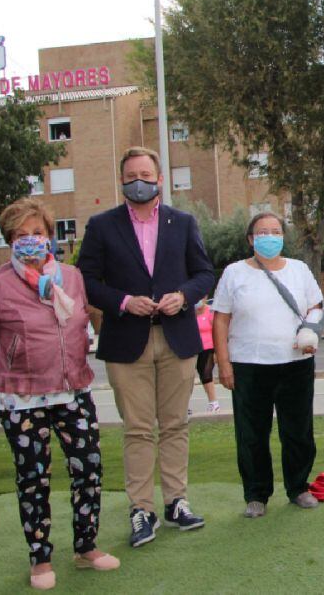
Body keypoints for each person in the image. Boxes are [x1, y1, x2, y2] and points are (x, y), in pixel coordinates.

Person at [0, 198, 120, 590]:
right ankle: (40, 559)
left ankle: (86, 546)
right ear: (9, 241)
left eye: (37, 233)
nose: (30, 241)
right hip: (22, 399)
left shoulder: (71, 277)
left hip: (73, 391)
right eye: (21, 235)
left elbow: (78, 325)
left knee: (88, 469)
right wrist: (3, 381)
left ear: (49, 235)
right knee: (33, 478)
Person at [77, 147, 215, 547]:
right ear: (122, 181)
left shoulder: (183, 222)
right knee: (138, 430)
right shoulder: (102, 225)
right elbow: (87, 279)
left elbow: (204, 273)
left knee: (175, 425)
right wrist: (122, 301)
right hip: (126, 340)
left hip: (177, 336)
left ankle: (176, 501)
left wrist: (183, 296)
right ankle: (142, 509)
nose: (139, 180)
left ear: (158, 178)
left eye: (146, 173)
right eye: (131, 174)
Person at [212, 212, 324, 518]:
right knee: (252, 434)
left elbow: (316, 307)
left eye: (276, 231)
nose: (270, 237)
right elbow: (220, 319)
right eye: (263, 232)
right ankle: (256, 494)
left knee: (298, 430)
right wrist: (223, 363)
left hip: (296, 364)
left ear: (283, 237)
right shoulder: (234, 273)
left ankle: (298, 487)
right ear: (250, 239)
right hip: (249, 364)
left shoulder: (299, 270)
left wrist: (309, 332)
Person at [194, 297, 220, 412]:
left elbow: (217, 331)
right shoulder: (189, 313)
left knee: (206, 374)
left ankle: (213, 402)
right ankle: (185, 406)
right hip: (192, 348)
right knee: (187, 377)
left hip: (208, 348)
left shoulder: (210, 311)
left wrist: (217, 352)